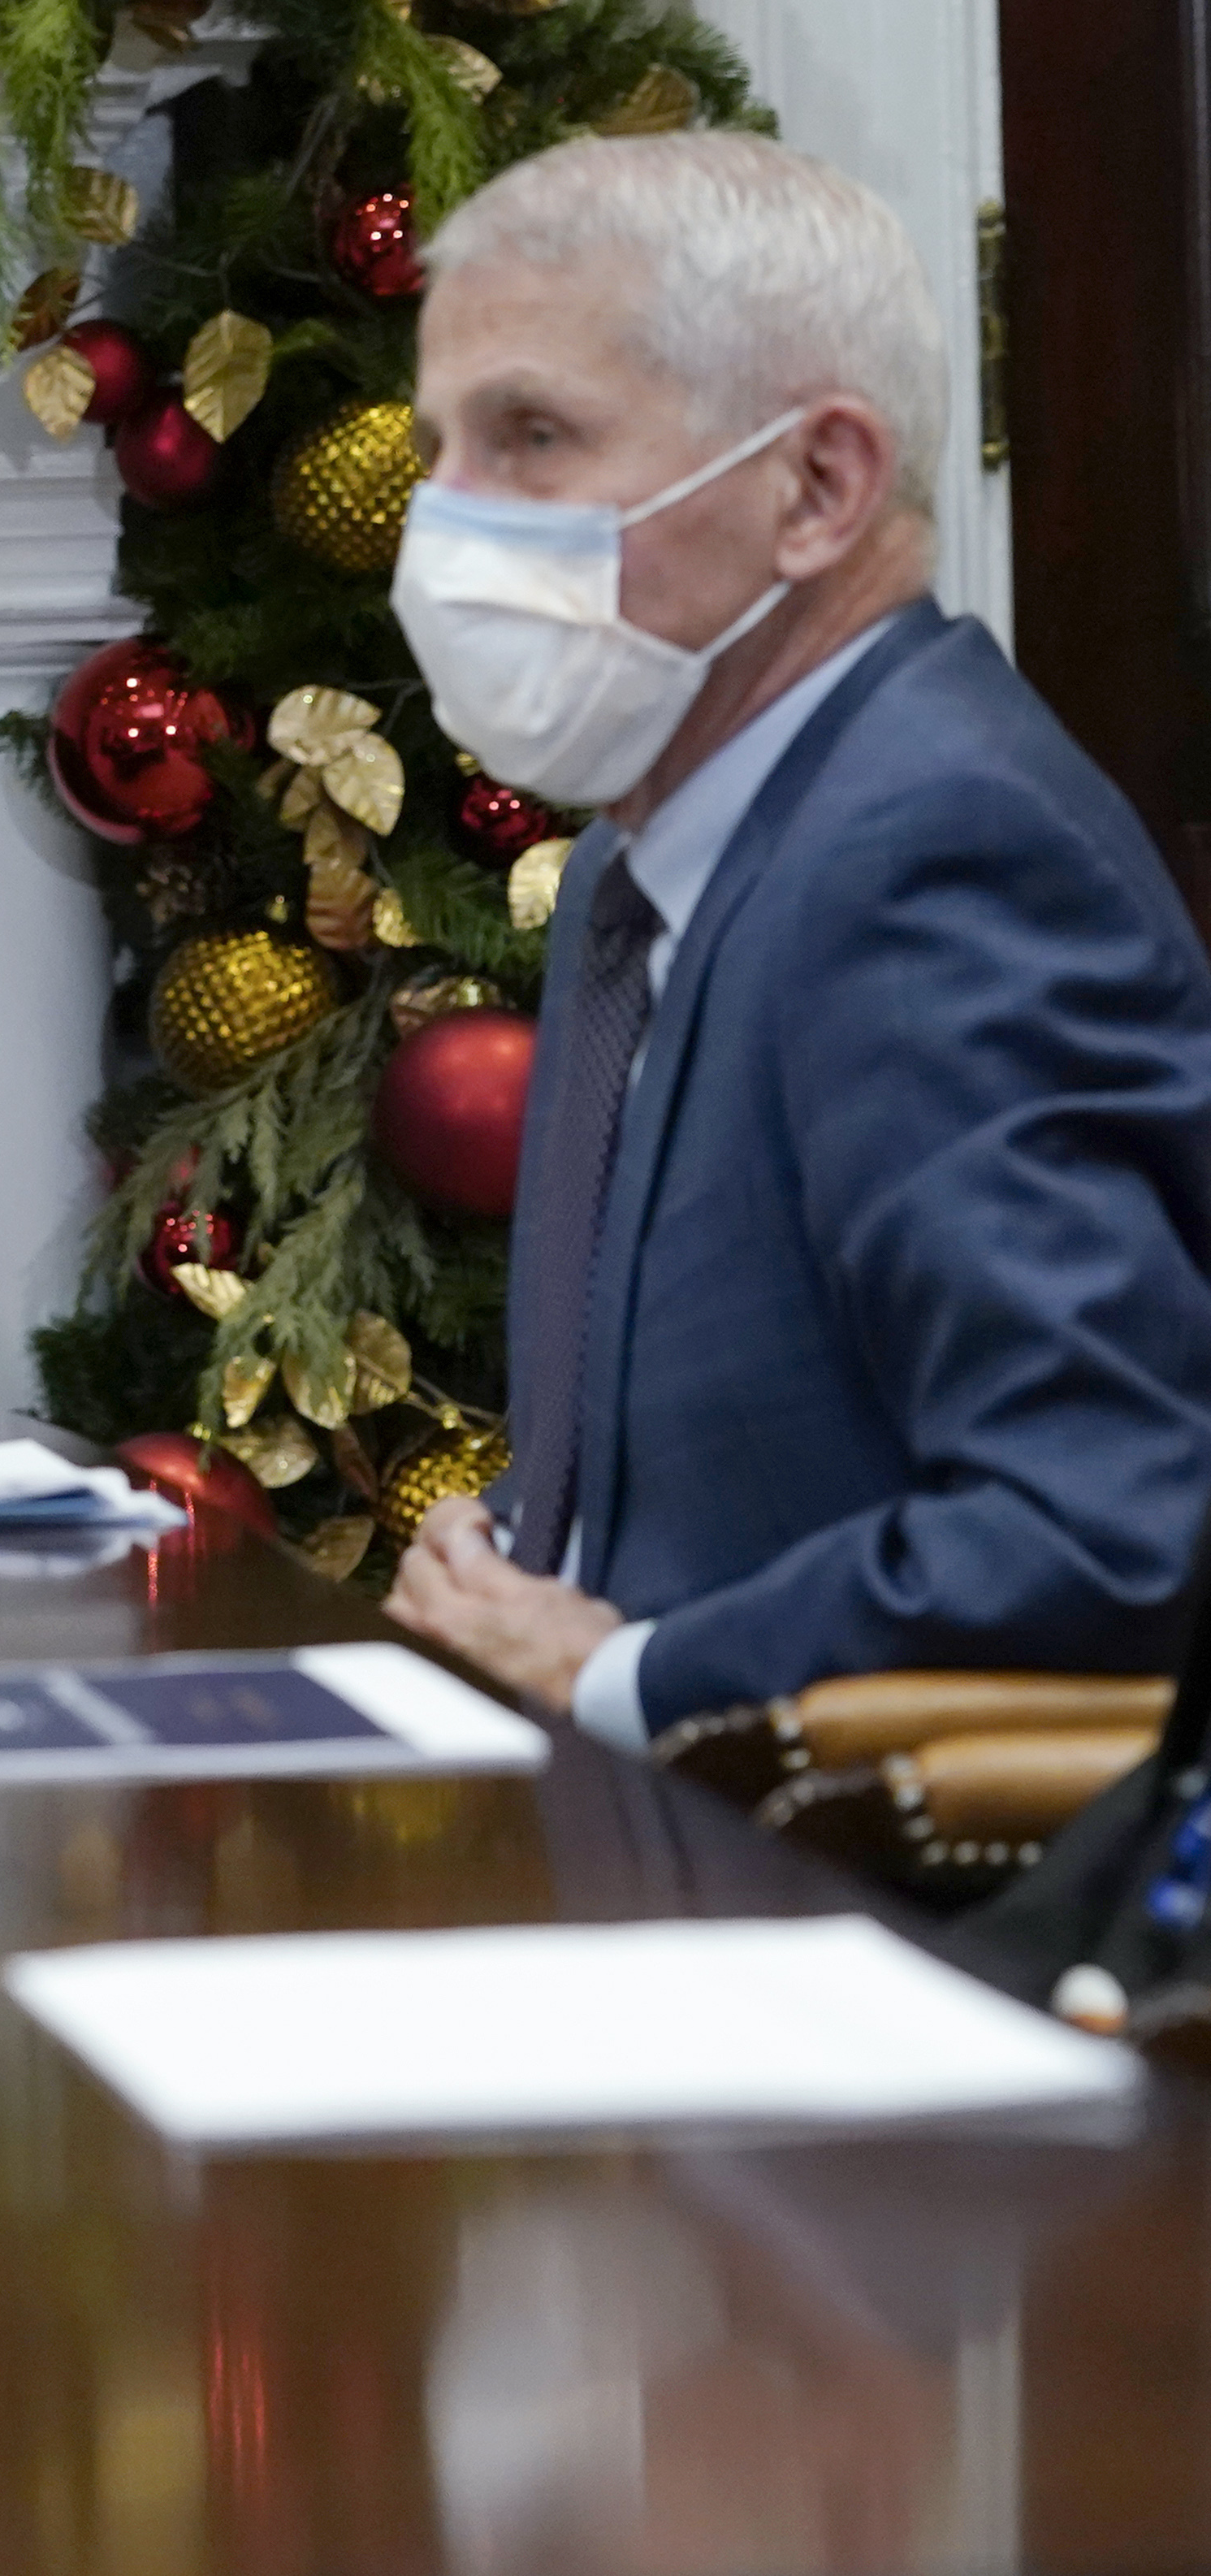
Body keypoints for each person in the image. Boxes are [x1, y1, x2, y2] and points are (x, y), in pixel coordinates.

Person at [382, 133, 1211, 1747]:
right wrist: (518, 1551)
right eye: (437, 446)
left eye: (532, 435)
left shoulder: (927, 854)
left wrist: (606, 1675)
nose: (445, 522)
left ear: (816, 487)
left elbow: (1100, 1519)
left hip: (888, 1924)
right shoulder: (655, 866)